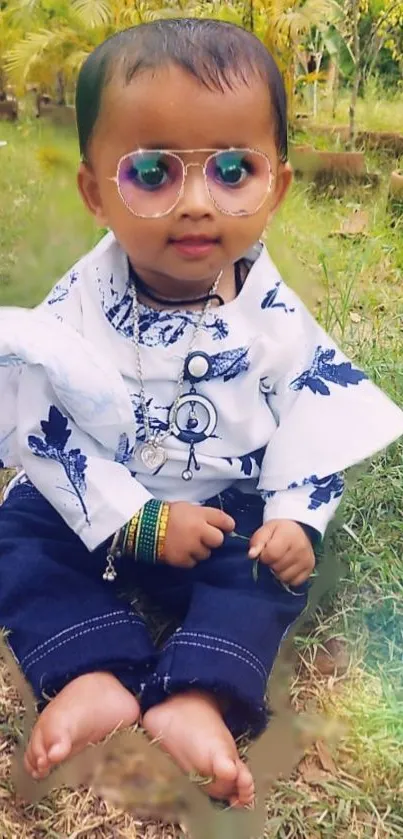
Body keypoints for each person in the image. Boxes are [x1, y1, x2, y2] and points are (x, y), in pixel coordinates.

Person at [0, 18, 402, 808]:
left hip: (224, 511)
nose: (194, 203)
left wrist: (295, 517)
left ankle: (201, 691)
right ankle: (90, 669)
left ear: (276, 185)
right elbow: (39, 422)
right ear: (94, 193)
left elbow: (310, 422)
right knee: (19, 535)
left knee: (263, 569)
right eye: (150, 171)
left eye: (231, 168)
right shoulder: (77, 304)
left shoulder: (274, 317)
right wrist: (136, 519)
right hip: (104, 504)